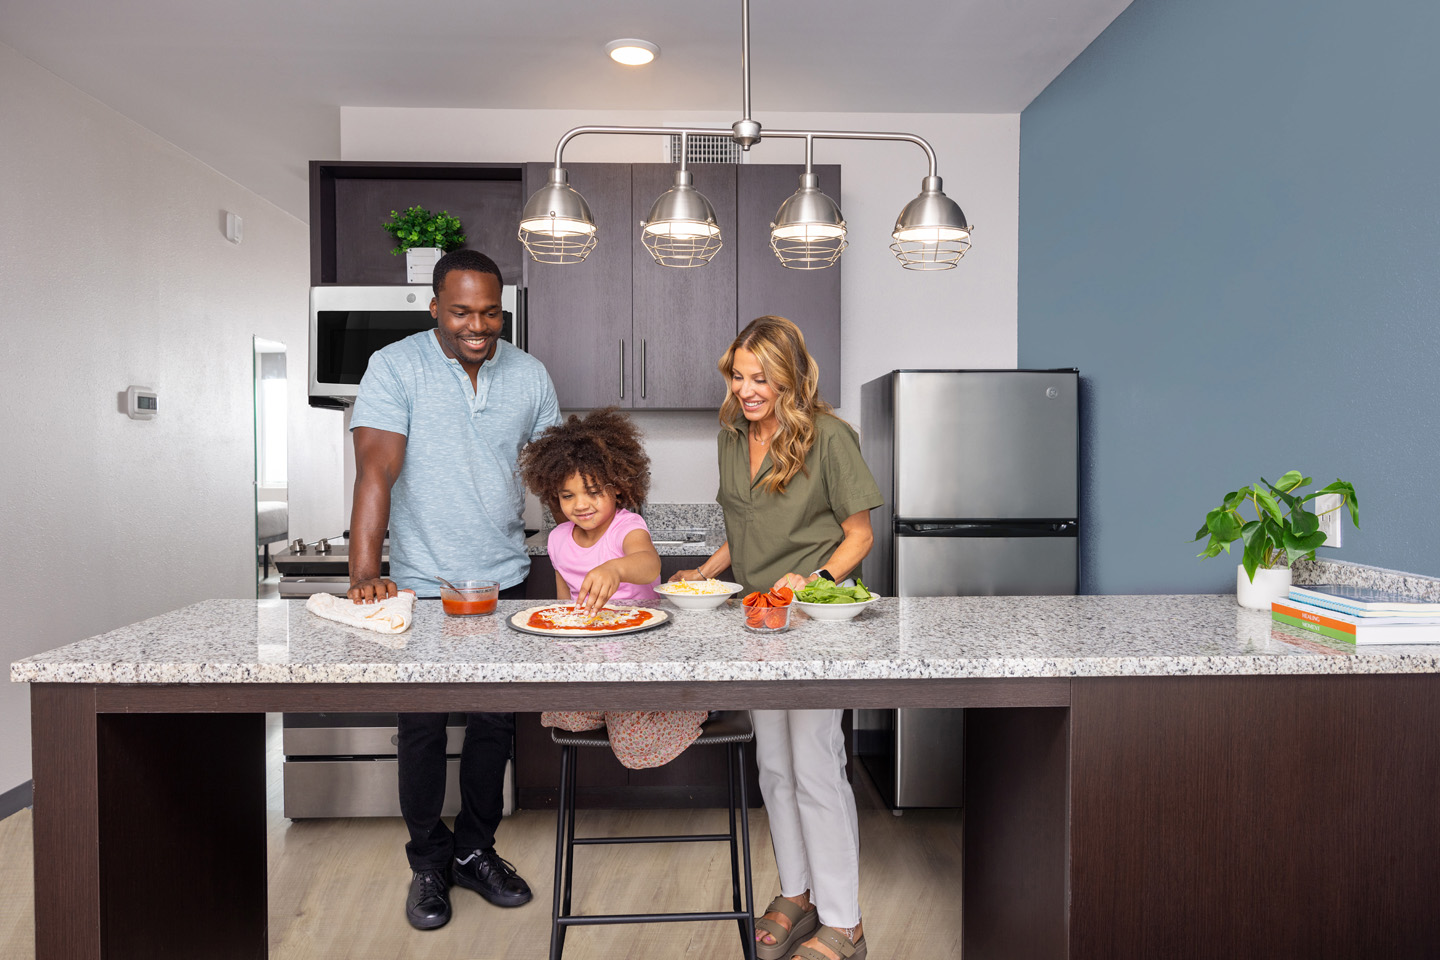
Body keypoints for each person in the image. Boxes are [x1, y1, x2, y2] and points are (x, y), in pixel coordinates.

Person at [348, 248, 560, 931]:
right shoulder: (396, 366)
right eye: (462, 310)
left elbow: (560, 477)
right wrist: (363, 571)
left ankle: (474, 850)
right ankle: (427, 862)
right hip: (419, 583)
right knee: (422, 728)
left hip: (503, 579)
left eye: (491, 311)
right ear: (435, 306)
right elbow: (376, 472)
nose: (478, 324)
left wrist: (596, 554)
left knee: (495, 724)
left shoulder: (528, 375)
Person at [670, 316, 883, 960]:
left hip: (819, 621)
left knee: (817, 764)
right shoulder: (732, 436)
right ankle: (798, 894)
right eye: (738, 375)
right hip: (759, 623)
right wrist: (704, 572)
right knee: (774, 765)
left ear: (790, 375)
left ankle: (845, 923)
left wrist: (809, 582)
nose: (747, 388)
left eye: (762, 377)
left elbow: (859, 536)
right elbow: (747, 526)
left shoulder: (830, 438)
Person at [518, 407, 710, 769]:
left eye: (592, 491)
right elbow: (564, 608)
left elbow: (649, 563)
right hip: (591, 660)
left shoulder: (627, 526)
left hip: (640, 658)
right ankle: (618, 711)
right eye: (567, 495)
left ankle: (696, 704)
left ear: (617, 487)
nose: (581, 505)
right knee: (561, 715)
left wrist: (615, 568)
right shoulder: (559, 539)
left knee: (633, 746)